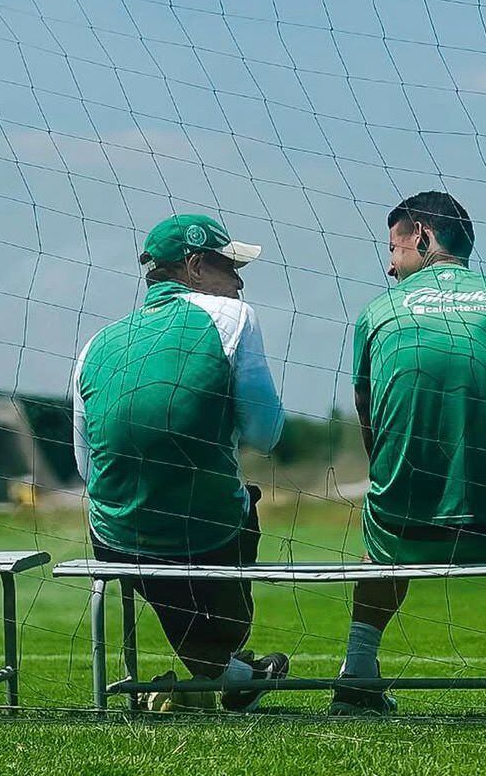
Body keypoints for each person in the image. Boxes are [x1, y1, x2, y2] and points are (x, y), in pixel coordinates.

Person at [331, 191, 486, 717]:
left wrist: (393, 475)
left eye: (393, 247)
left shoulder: (376, 312)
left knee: (378, 546)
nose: (389, 262)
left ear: (421, 236)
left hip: (401, 506)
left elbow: (366, 412)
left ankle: (356, 675)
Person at [72, 213, 289, 713]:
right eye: (228, 267)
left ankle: (226, 674)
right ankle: (229, 671)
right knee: (239, 505)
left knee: (153, 540)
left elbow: (87, 467)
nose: (238, 281)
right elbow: (266, 434)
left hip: (115, 541)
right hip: (206, 534)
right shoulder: (233, 317)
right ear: (194, 267)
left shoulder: (94, 344)